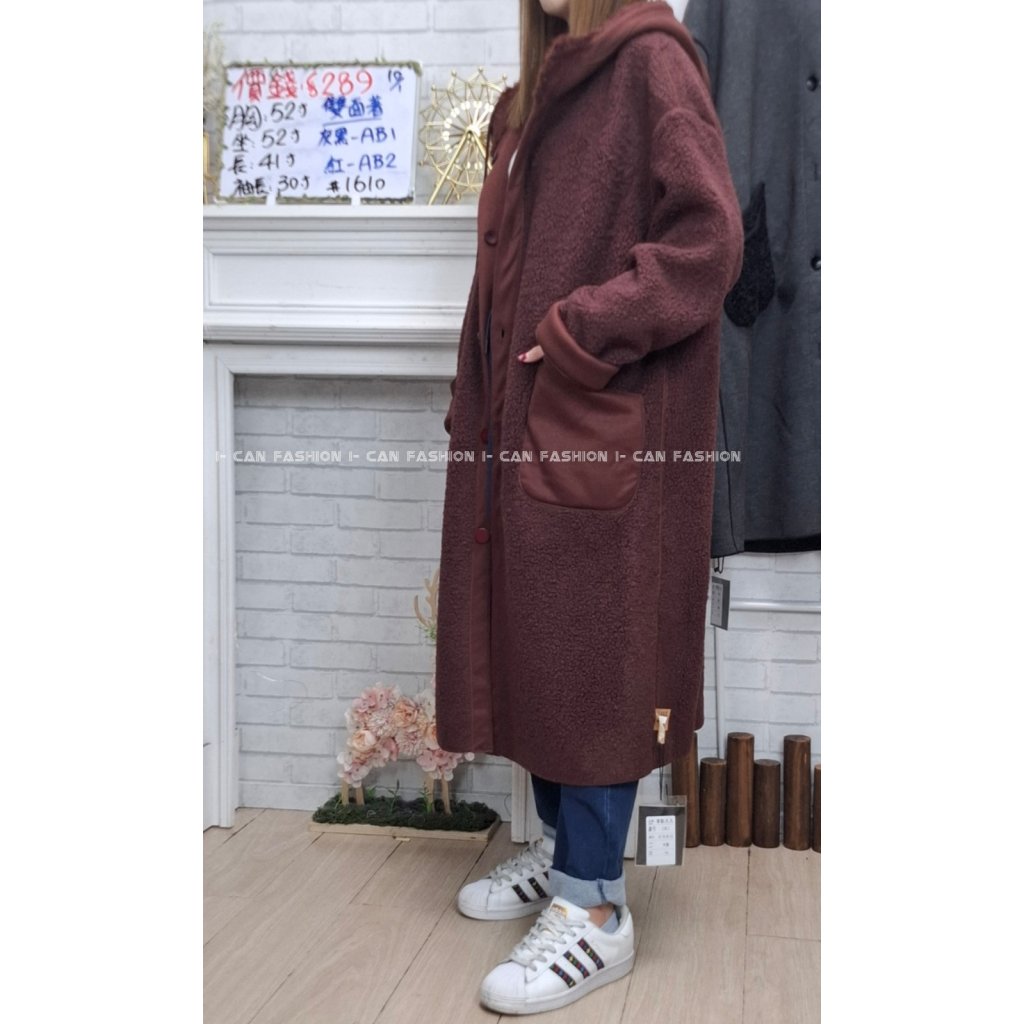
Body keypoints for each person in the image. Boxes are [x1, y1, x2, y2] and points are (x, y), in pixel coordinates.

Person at [434, 0, 744, 1014]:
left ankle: (596, 908)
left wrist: (580, 332)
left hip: (598, 416)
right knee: (540, 647)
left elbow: (708, 240)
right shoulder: (533, 97)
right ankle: (567, 853)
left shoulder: (653, 64)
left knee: (598, 661)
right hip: (524, 425)